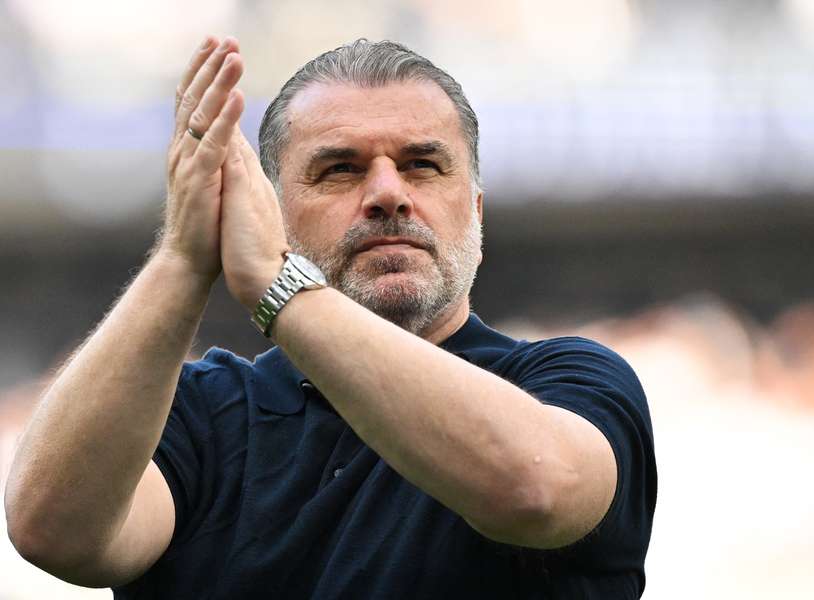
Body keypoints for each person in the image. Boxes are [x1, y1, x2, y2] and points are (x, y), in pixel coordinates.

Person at [4, 36, 656, 599]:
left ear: (477, 213)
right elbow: (53, 530)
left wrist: (278, 286)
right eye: (338, 170)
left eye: (422, 165)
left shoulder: (570, 381)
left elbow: (535, 489)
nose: (388, 194)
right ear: (266, 211)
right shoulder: (200, 414)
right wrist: (182, 254)